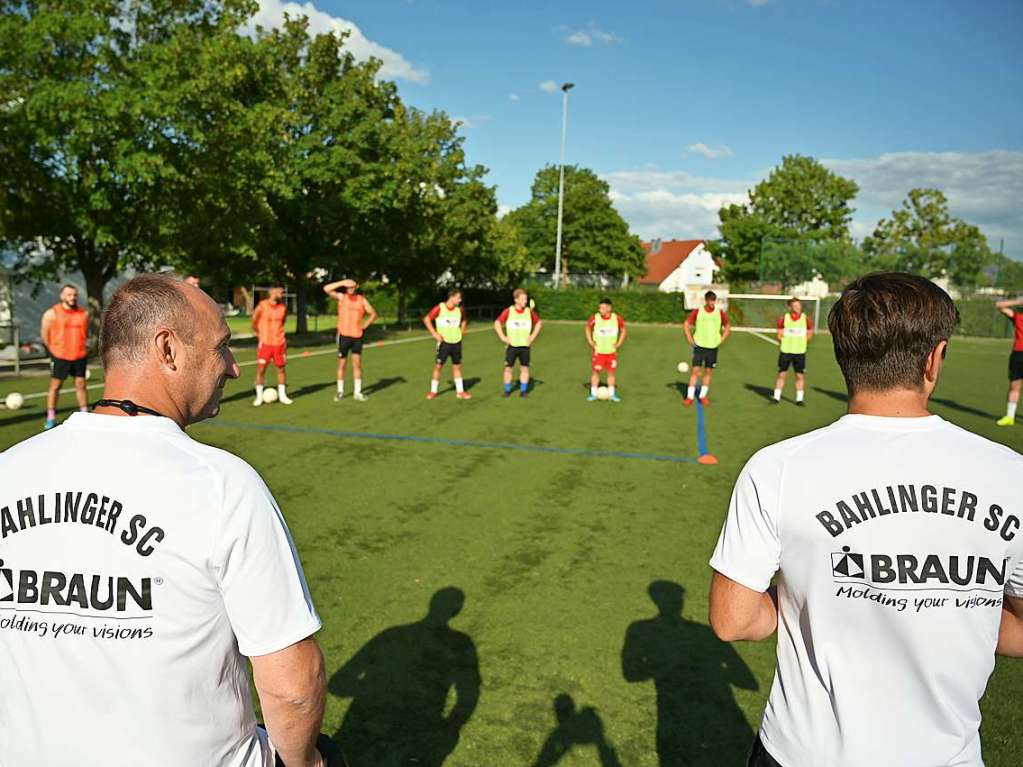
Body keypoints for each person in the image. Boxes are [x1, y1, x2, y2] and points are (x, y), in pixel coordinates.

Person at [0, 273, 328, 767]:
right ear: (168, 349)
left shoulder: (9, 469)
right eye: (221, 347)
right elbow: (293, 689)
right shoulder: (223, 485)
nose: (233, 368)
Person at [708, 272, 1023, 767]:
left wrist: (807, 599)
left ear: (842, 354)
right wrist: (950, 604)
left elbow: (734, 620)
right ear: (934, 357)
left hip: (800, 755)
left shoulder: (777, 468)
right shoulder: (1012, 475)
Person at [40, 284, 89, 430]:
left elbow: (85, 332)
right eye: (69, 295)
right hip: (60, 356)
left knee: (81, 384)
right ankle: (50, 417)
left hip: (79, 354)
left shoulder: (84, 313)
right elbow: (44, 333)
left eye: (74, 295)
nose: (72, 297)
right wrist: (52, 350)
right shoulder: (52, 313)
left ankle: (85, 413)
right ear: (62, 296)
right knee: (55, 386)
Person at [323, 278, 377, 402]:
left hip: (357, 337)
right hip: (344, 336)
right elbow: (326, 289)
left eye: (352, 287)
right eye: (348, 287)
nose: (350, 289)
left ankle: (357, 392)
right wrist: (342, 282)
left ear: (356, 287)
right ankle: (340, 392)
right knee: (342, 365)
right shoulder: (342, 297)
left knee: (357, 365)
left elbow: (373, 313)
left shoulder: (362, 300)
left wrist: (365, 325)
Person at [682, 290, 729, 406]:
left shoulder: (720, 312)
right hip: (699, 346)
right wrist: (689, 338)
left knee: (708, 372)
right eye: (711, 300)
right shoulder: (698, 311)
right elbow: (686, 324)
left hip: (712, 348)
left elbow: (727, 326)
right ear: (706, 300)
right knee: (695, 372)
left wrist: (722, 339)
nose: (713, 303)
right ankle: (689, 397)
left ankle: (703, 396)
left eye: (714, 300)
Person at [423, 289, 471, 400]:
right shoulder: (440, 308)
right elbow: (427, 319)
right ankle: (433, 391)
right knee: (438, 366)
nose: (460, 300)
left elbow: (464, 320)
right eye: (458, 298)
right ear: (452, 297)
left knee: (457, 367)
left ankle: (460, 392)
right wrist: (434, 333)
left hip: (456, 343)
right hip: (444, 343)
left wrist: (462, 331)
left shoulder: (459, 310)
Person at [494, 288, 542, 398]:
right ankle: (507, 391)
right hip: (512, 346)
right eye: (523, 299)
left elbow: (539, 323)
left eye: (526, 299)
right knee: (508, 368)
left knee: (524, 368)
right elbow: (497, 323)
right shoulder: (508, 311)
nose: (525, 301)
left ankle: (523, 391)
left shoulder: (529, 312)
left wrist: (532, 337)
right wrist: (503, 337)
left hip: (525, 346)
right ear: (516, 300)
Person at [252, 286, 293, 406]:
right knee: (261, 369)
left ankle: (283, 396)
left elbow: (283, 322)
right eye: (280, 291)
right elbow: (254, 322)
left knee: (281, 368)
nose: (282, 293)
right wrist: (260, 335)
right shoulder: (262, 306)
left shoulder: (283, 308)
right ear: (272, 292)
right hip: (265, 343)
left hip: (279, 343)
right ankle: (259, 397)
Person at [771, 297, 814, 406]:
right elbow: (779, 334)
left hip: (800, 353)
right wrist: (784, 339)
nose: (798, 308)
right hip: (785, 351)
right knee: (782, 374)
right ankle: (776, 397)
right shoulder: (784, 318)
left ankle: (799, 399)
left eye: (799, 305)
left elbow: (809, 333)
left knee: (800, 376)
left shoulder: (806, 319)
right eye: (795, 306)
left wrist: (802, 341)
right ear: (790, 307)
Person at [585, 298, 627, 402]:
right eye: (600, 308)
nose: (600, 310)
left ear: (609, 308)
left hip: (611, 352)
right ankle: (594, 393)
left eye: (603, 308)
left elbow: (623, 330)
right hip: (598, 352)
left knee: (611, 373)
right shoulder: (595, 318)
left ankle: (612, 394)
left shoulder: (616, 318)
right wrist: (590, 341)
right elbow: (587, 328)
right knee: (595, 372)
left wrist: (619, 343)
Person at [995, 298, 1023, 426]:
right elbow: (999, 305)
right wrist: (1018, 302)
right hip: (1018, 354)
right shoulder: (1018, 317)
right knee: (1014, 386)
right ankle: (1010, 417)